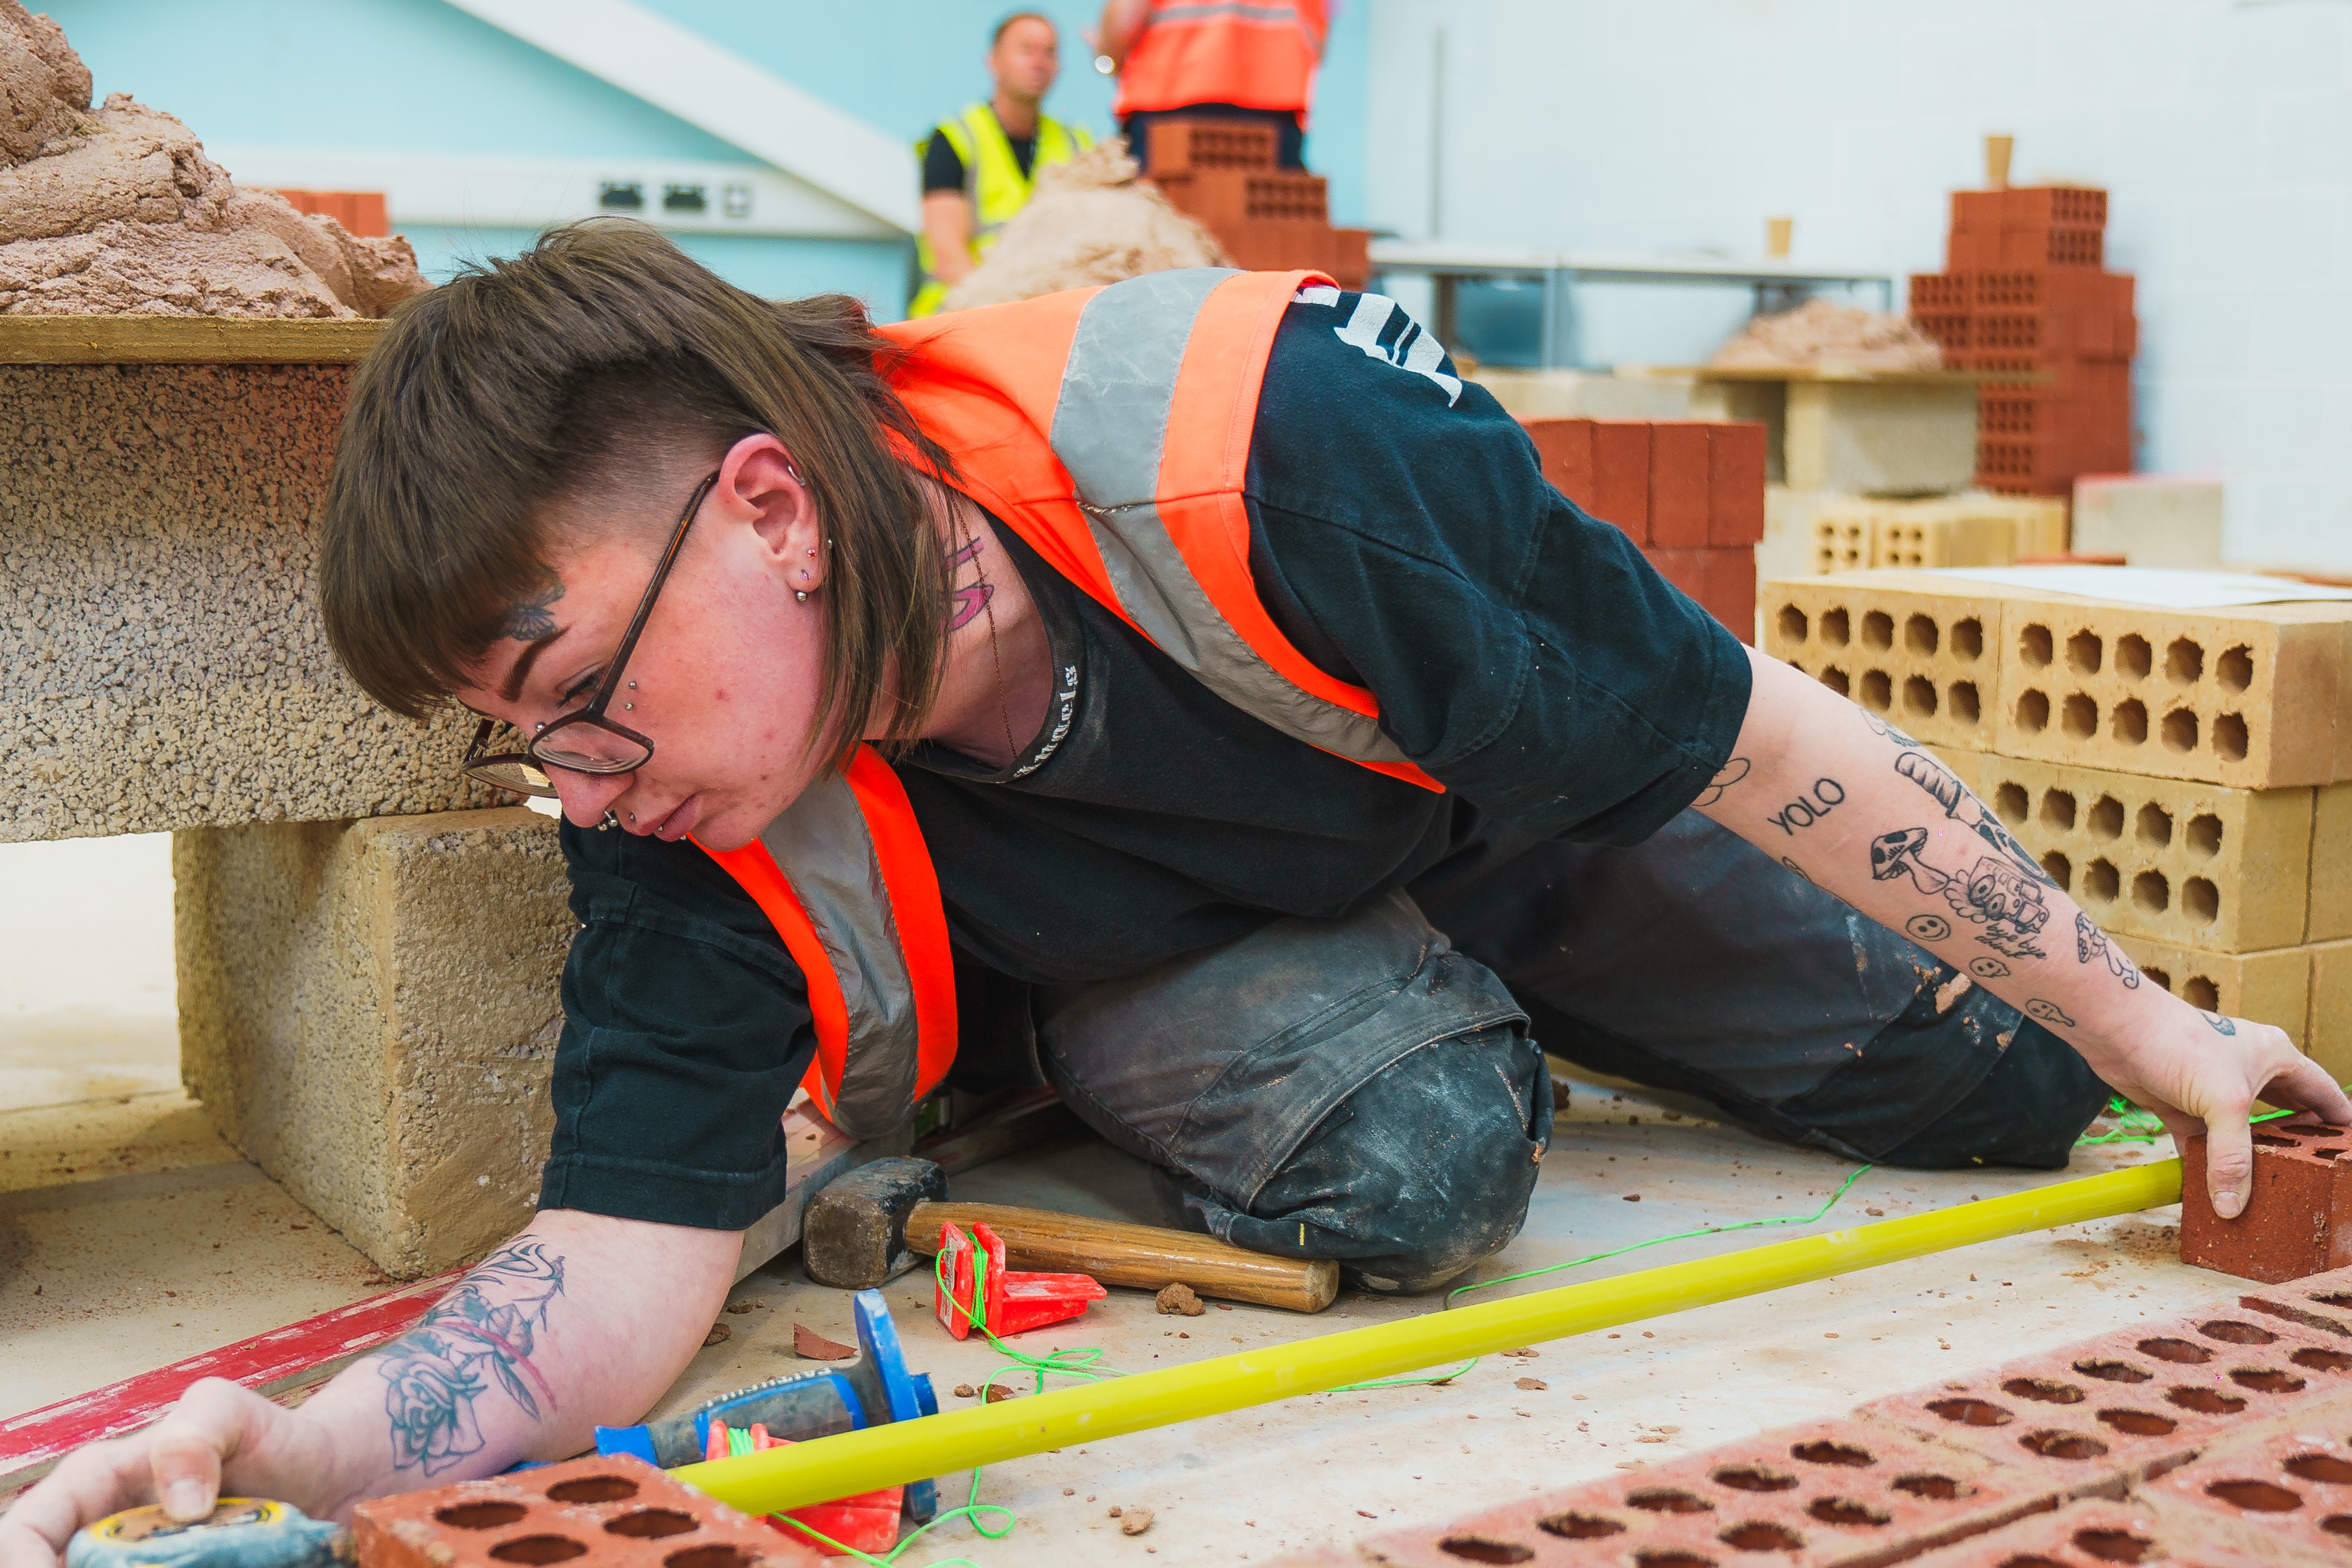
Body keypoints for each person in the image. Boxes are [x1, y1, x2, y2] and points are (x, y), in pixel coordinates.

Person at [2, 223, 2339, 1561]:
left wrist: (2151, 1029)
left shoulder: (1276, 458)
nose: (582, 787)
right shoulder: (682, 822)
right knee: (1419, 1159)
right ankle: (1124, 1054)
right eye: (531, 750)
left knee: (1999, 1093)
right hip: (1166, 947)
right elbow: (616, 1260)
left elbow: (1752, 737)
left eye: (574, 698)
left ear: (770, 510)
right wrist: (297, 1447)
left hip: (1502, 820)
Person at [909, 11, 1094, 317]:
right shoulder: (954, 138)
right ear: (993, 61)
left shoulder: (1077, 144)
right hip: (964, 311)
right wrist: (1008, 313)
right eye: (1026, 50)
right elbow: (948, 258)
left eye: (1049, 52)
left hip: (1050, 310)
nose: (1039, 62)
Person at [1096, 0, 1323, 171]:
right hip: (1273, 103)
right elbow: (1317, 40)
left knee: (1156, 211)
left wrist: (1107, 57)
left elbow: (1124, 22)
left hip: (1167, 98)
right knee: (1271, 212)